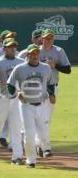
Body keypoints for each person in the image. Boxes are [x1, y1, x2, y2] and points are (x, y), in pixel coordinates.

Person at [7, 44, 55, 168]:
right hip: (26, 105)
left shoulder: (46, 68)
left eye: (36, 53)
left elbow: (50, 83)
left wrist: (52, 94)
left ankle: (44, 148)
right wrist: (17, 93)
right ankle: (31, 160)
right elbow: (10, 85)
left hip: (42, 104)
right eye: (32, 53)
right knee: (29, 134)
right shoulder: (19, 68)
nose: (34, 55)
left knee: (44, 132)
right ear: (27, 55)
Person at [0, 38, 24, 165]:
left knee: (16, 126)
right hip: (1, 98)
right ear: (4, 49)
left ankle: (17, 156)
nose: (12, 48)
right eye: (9, 46)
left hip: (16, 99)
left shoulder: (22, 62)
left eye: (14, 46)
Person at [37, 29, 71, 157]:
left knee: (47, 118)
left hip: (52, 87)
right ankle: (44, 147)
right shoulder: (36, 51)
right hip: (37, 88)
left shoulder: (58, 51)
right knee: (39, 117)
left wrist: (55, 65)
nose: (48, 40)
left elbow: (68, 70)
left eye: (50, 38)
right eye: (46, 38)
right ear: (42, 39)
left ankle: (41, 145)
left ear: (53, 39)